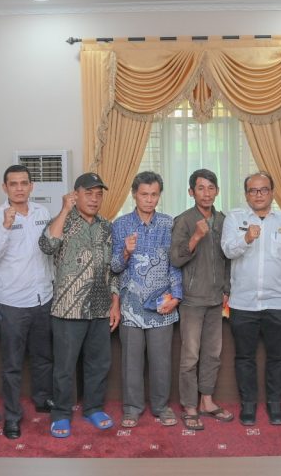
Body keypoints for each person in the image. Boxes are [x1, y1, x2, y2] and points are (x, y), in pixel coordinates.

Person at [39, 172, 120, 439]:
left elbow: (113, 269)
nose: (94, 199)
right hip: (68, 308)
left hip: (99, 307)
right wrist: (65, 209)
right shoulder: (62, 221)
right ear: (76, 195)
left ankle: (93, 408)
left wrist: (114, 303)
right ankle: (61, 413)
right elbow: (47, 245)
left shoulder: (106, 226)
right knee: (64, 367)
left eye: (99, 194)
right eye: (88, 193)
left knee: (98, 364)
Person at [221, 172, 281, 426]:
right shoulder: (234, 219)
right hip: (242, 302)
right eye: (253, 190)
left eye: (264, 190)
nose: (258, 195)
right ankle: (248, 405)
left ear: (272, 192)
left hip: (278, 302)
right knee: (244, 357)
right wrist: (246, 238)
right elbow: (227, 250)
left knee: (277, 357)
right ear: (246, 194)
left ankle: (274, 405)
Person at [0, 164, 54, 439]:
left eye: (24, 183)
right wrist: (6, 226)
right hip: (11, 302)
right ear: (5, 188)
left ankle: (42, 398)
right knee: (12, 365)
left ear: (31, 186)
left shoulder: (42, 213)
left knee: (43, 357)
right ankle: (12, 417)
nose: (19, 188)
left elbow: (50, 250)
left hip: (42, 297)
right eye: (13, 184)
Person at [111, 172, 182, 429]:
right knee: (131, 360)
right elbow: (114, 267)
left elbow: (175, 265)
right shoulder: (120, 225)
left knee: (161, 360)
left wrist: (177, 297)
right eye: (144, 194)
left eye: (154, 194)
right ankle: (132, 408)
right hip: (131, 305)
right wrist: (126, 252)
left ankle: (161, 406)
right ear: (134, 194)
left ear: (159, 196)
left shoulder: (168, 224)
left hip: (162, 303)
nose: (149, 199)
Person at [170, 169, 232, 430]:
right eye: (200, 188)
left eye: (210, 188)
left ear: (217, 191)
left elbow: (228, 258)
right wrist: (195, 236)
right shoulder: (184, 220)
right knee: (190, 356)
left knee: (212, 354)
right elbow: (175, 259)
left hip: (216, 299)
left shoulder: (224, 220)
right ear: (191, 192)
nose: (206, 193)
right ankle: (189, 406)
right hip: (192, 300)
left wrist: (227, 288)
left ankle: (207, 401)